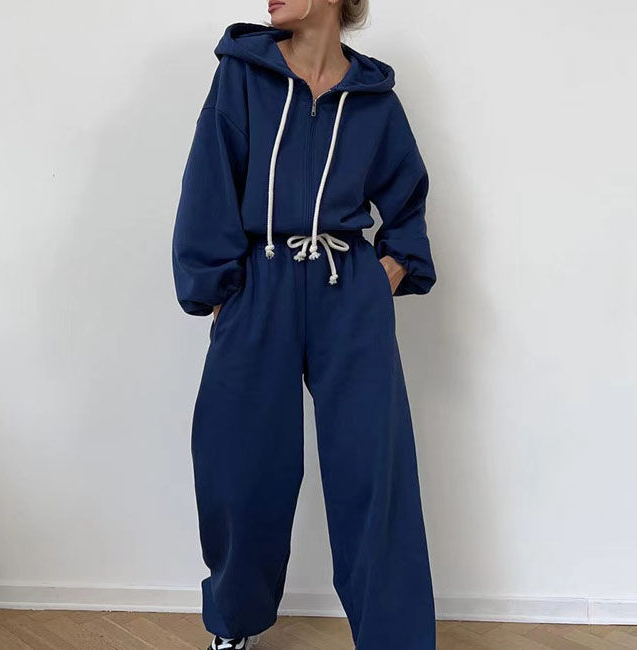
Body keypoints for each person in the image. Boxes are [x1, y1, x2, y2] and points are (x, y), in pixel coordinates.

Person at [172, 1, 437, 648]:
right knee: (238, 466)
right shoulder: (242, 74)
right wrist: (215, 287)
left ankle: (394, 641)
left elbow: (406, 202)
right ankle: (235, 625)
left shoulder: (374, 98)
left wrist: (389, 271)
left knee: (373, 473)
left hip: (348, 292)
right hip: (258, 285)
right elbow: (210, 176)